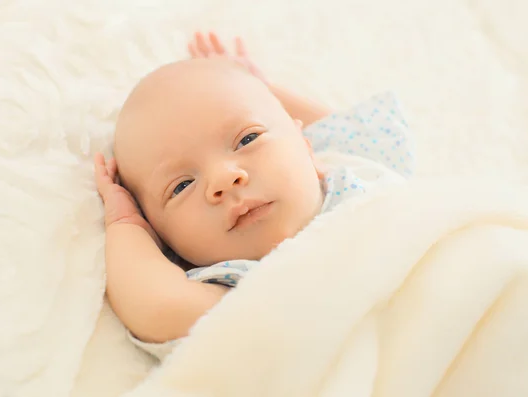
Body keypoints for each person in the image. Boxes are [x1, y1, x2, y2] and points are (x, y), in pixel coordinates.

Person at [94, 32, 415, 360]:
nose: (225, 178)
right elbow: (157, 307)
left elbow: (358, 129)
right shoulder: (236, 289)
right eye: (180, 186)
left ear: (306, 145)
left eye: (247, 139)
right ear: (164, 240)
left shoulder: (358, 171)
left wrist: (262, 88)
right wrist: (125, 223)